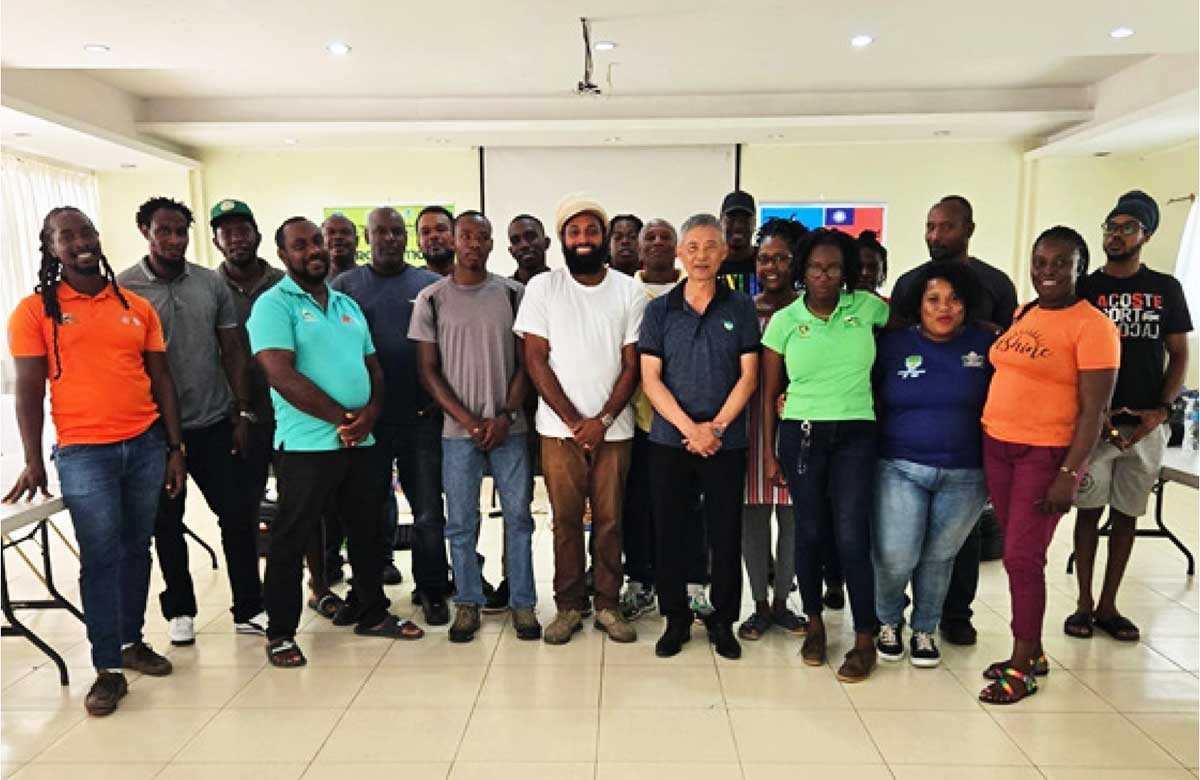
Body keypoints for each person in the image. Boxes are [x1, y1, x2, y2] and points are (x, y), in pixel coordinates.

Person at [5, 207, 185, 716]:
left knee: (136, 549)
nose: (80, 242)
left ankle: (131, 641)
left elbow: (162, 379)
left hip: (146, 445)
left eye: (86, 232)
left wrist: (175, 447)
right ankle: (107, 667)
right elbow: (29, 388)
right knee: (101, 556)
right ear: (51, 246)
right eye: (67, 236)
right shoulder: (33, 310)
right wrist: (33, 458)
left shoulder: (133, 305)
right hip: (84, 454)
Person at [248, 216, 424, 667]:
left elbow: (374, 369)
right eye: (300, 244)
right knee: (292, 538)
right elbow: (279, 373)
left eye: (317, 242)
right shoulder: (274, 305)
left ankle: (372, 612)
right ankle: (282, 633)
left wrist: (369, 417)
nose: (313, 250)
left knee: (366, 532)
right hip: (307, 445)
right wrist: (343, 418)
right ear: (284, 255)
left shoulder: (347, 303)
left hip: (360, 443)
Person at [976, 225, 1119, 704]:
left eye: (1061, 262)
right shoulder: (1025, 312)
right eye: (1041, 261)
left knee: (1021, 557)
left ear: (1079, 267)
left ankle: (1021, 668)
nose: (1049, 271)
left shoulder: (1093, 326)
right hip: (998, 444)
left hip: (1046, 455)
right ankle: (1031, 650)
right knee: (1021, 553)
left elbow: (1093, 412)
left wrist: (1069, 474)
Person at [117, 197, 265, 647]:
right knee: (167, 524)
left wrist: (241, 409)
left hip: (213, 421)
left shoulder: (208, 284)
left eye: (181, 230)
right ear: (145, 231)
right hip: (155, 432)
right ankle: (180, 608)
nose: (174, 239)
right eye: (164, 230)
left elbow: (234, 350)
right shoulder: (125, 288)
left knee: (237, 516)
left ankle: (249, 607)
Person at [513, 194, 646, 645]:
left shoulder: (629, 290)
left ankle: (608, 604)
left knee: (611, 521)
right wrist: (574, 420)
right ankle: (569, 606)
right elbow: (535, 360)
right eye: (575, 232)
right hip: (557, 432)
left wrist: (603, 418)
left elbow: (632, 365)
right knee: (564, 522)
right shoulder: (543, 288)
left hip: (615, 430)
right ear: (563, 239)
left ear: (605, 237)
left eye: (592, 231)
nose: (584, 239)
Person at [889, 195, 1019, 647]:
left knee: (957, 542)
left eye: (945, 227)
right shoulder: (911, 283)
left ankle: (954, 614)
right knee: (902, 543)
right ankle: (899, 614)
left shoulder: (997, 285)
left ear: (968, 228)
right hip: (909, 443)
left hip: (968, 441)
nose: (935, 236)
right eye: (930, 226)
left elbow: (1007, 351)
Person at [761, 228, 890, 683]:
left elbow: (906, 340)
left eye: (834, 268)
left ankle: (864, 638)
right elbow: (769, 394)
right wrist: (771, 454)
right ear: (803, 270)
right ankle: (814, 625)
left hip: (857, 432)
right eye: (816, 267)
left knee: (853, 533)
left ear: (847, 272)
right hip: (802, 434)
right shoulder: (784, 321)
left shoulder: (869, 308)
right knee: (809, 532)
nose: (824, 276)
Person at [410, 211, 541, 643]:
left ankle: (522, 603)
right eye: (464, 235)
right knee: (462, 523)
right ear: (453, 240)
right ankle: (468, 602)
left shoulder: (514, 294)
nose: (471, 243)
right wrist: (468, 420)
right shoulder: (431, 298)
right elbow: (428, 371)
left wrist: (504, 415)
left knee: (519, 518)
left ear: (490, 245)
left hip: (511, 428)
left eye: (481, 237)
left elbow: (528, 363)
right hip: (456, 433)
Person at [1067, 191, 1191, 642]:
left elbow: (1178, 354)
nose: (1115, 235)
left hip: (1146, 422)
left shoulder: (1166, 289)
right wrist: (1092, 414)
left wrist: (1161, 409)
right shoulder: (1086, 288)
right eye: (1110, 227)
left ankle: (1108, 605)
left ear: (1146, 235)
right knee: (1087, 509)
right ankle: (1081, 604)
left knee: (1127, 513)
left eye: (1126, 228)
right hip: (1094, 421)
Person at [640, 213, 760, 660]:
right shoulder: (659, 310)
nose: (702, 255)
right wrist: (691, 429)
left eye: (711, 246)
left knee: (725, 532)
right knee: (670, 530)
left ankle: (723, 621)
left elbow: (748, 377)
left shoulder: (741, 307)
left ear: (724, 251)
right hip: (671, 442)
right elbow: (650, 379)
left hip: (726, 442)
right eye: (692, 247)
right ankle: (674, 620)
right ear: (679, 253)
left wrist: (717, 429)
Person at [872, 261, 995, 668]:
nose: (945, 308)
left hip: (966, 472)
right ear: (918, 305)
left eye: (954, 299)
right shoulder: (891, 345)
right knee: (897, 555)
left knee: (939, 557)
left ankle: (925, 628)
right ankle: (887, 620)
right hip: (900, 466)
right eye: (934, 299)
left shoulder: (987, 346)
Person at [331, 207, 449, 623]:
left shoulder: (432, 284)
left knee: (428, 511)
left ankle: (433, 587)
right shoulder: (345, 285)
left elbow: (448, 345)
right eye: (381, 232)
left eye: (397, 231)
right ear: (368, 237)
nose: (389, 238)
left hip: (420, 417)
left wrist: (442, 397)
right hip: (368, 420)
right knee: (365, 510)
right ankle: (365, 591)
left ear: (407, 238)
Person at [738, 218, 809, 641]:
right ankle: (759, 604)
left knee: (793, 518)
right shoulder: (741, 310)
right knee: (753, 518)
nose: (772, 266)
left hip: (797, 428)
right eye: (764, 258)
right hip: (748, 427)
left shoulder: (810, 312)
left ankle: (785, 601)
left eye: (782, 258)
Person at [620, 218, 684, 620]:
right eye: (651, 238)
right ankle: (639, 581)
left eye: (666, 237)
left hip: (689, 420)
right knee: (636, 504)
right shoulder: (625, 290)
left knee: (685, 508)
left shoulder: (694, 287)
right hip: (639, 418)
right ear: (640, 249)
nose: (658, 243)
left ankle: (685, 584)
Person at [715, 190, 759, 295]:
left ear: (754, 224)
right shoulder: (710, 264)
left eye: (744, 220)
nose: (738, 226)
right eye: (731, 219)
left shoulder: (765, 262)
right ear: (721, 222)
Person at [508, 214, 551, 285]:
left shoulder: (563, 286)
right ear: (511, 251)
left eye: (531, 237)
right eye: (516, 240)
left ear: (546, 242)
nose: (524, 245)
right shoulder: (504, 291)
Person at [417, 205, 456, 276]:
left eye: (441, 229)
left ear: (455, 237)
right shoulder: (410, 283)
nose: (433, 236)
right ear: (418, 244)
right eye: (425, 232)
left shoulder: (473, 279)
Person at [322, 213, 360, 278]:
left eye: (345, 232)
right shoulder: (309, 283)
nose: (338, 237)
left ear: (356, 241)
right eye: (331, 232)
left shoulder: (370, 280)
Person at [856, 230, 889, 298]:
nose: (865, 273)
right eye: (859, 266)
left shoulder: (891, 307)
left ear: (883, 272)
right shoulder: (831, 305)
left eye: (872, 267)